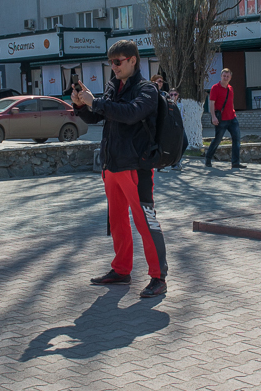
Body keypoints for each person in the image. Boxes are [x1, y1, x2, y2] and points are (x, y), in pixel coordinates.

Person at [72, 40, 167, 299]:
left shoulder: (147, 90)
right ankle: (121, 269)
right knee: (117, 221)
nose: (113, 67)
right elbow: (98, 116)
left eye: (117, 62)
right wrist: (82, 104)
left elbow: (130, 114)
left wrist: (98, 102)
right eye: (110, 62)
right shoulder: (114, 86)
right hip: (112, 166)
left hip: (136, 167)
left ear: (133, 60)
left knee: (144, 221)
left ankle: (158, 277)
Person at [205, 67, 246, 169]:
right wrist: (213, 117)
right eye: (224, 76)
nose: (226, 78)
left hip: (232, 119)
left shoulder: (230, 88)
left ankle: (235, 163)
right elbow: (211, 103)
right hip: (221, 120)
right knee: (217, 140)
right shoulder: (215, 88)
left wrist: (233, 112)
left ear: (230, 77)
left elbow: (230, 103)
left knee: (236, 139)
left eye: (228, 76)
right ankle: (208, 158)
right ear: (221, 76)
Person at [159, 87, 188, 173]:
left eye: (175, 94)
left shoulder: (180, 105)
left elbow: (182, 117)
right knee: (165, 145)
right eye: (171, 94)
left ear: (178, 95)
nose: (173, 96)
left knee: (185, 142)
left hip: (178, 127)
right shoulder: (166, 104)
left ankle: (176, 162)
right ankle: (160, 165)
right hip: (169, 128)